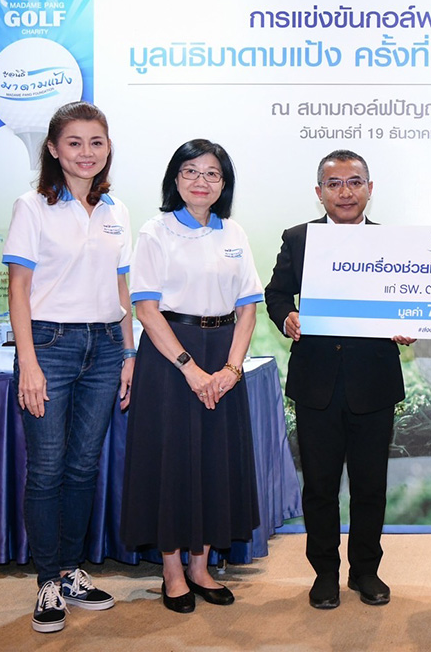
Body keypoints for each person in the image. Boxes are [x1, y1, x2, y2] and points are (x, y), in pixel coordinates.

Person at [2, 101, 134, 633]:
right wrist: (28, 363)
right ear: (54, 149)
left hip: (105, 346)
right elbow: (19, 289)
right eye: (74, 142)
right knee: (48, 469)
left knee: (83, 467)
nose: (86, 152)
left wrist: (128, 354)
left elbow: (122, 289)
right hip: (48, 344)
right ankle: (47, 582)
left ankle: (71, 571)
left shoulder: (116, 210)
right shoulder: (32, 205)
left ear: (108, 148)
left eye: (96, 142)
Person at [120, 139, 263, 614]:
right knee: (171, 462)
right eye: (191, 171)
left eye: (212, 173)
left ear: (224, 183)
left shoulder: (233, 232)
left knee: (212, 460)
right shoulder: (155, 231)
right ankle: (172, 571)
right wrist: (192, 370)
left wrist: (231, 369)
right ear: (175, 179)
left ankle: (201, 568)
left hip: (222, 355)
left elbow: (247, 309)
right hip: (170, 358)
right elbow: (146, 309)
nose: (201, 181)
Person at [265, 149, 409, 610]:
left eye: (354, 182)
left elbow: (407, 298)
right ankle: (324, 573)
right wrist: (286, 316)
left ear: (370, 188)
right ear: (319, 191)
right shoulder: (299, 238)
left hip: (373, 381)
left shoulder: (392, 242)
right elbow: (275, 293)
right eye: (334, 184)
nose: (345, 192)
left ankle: (366, 571)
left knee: (370, 486)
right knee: (320, 487)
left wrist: (408, 322)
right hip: (317, 383)